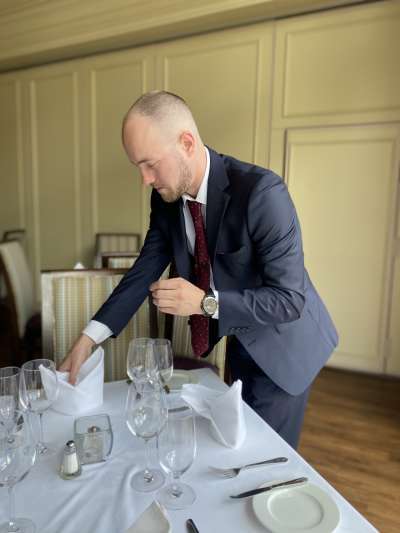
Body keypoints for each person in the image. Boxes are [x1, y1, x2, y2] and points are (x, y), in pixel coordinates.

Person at [60, 90, 338, 449]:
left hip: (286, 345)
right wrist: (88, 339)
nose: (144, 179)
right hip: (240, 340)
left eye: (150, 164)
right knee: (234, 444)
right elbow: (143, 271)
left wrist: (206, 302)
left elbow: (289, 300)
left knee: (267, 460)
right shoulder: (166, 199)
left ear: (187, 143)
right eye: (137, 167)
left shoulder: (262, 193)